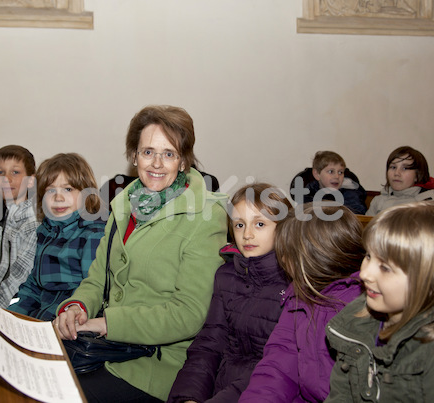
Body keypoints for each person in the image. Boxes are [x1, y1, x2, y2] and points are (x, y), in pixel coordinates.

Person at [53, 105, 228, 402]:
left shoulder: (206, 215)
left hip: (157, 362)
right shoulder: (124, 204)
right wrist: (78, 306)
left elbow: (189, 314)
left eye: (169, 153)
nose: (157, 163)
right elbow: (98, 279)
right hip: (107, 349)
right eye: (148, 152)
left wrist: (108, 322)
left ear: (184, 161)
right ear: (134, 156)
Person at [168, 183, 291, 403]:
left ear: (282, 228)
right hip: (219, 388)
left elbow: (277, 366)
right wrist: (189, 396)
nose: (248, 234)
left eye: (260, 224)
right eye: (239, 225)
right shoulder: (226, 275)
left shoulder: (293, 284)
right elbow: (209, 345)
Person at [239, 204, 365, 403]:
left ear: (315, 259)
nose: (282, 260)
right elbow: (279, 366)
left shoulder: (363, 309)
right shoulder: (298, 296)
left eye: (287, 253)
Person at [325, 201, 434, 402]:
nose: (365, 273)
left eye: (385, 267)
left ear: (427, 279)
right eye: (368, 256)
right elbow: (340, 394)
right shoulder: (353, 323)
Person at [8, 153, 106, 320]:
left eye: (68, 189)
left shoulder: (93, 235)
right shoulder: (45, 231)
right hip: (42, 314)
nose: (58, 197)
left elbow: (93, 291)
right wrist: (12, 314)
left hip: (71, 318)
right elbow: (33, 284)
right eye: (50, 190)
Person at [0, 145, 39, 308]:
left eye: (15, 172)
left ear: (31, 180)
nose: (6, 179)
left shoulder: (33, 223)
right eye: (0, 173)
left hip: (14, 306)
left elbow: (20, 277)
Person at [290, 151, 367, 214]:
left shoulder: (351, 192)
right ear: (317, 174)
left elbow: (357, 215)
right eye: (331, 171)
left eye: (340, 172)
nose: (337, 176)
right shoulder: (308, 192)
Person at [365, 146, 434, 216]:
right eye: (393, 167)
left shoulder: (429, 202)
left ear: (417, 175)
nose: (396, 173)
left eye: (405, 168)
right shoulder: (379, 200)